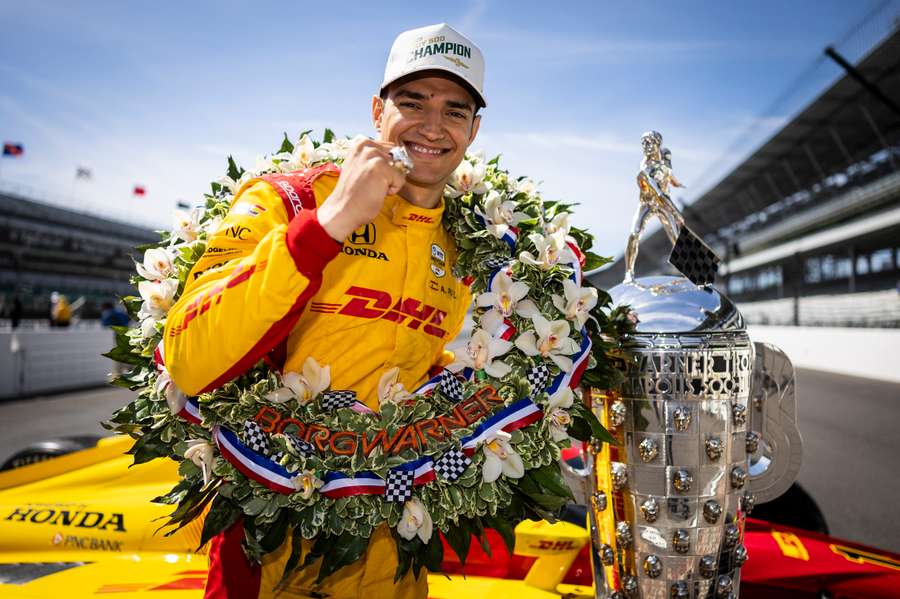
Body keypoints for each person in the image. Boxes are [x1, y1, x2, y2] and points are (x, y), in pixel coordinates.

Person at [163, 23, 486, 599]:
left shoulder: (477, 250)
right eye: (412, 102)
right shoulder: (288, 199)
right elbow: (189, 360)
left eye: (454, 111)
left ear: (474, 129)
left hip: (396, 556)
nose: (432, 126)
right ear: (376, 110)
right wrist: (330, 223)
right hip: (271, 553)